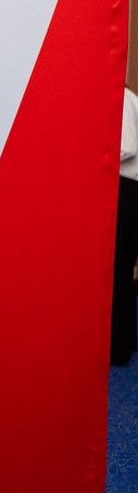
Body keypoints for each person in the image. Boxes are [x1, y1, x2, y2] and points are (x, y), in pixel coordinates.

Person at [113, 86, 138, 366]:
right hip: (129, 190)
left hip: (126, 190)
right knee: (121, 270)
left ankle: (117, 349)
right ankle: (125, 341)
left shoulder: (119, 99)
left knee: (117, 270)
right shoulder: (126, 98)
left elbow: (126, 148)